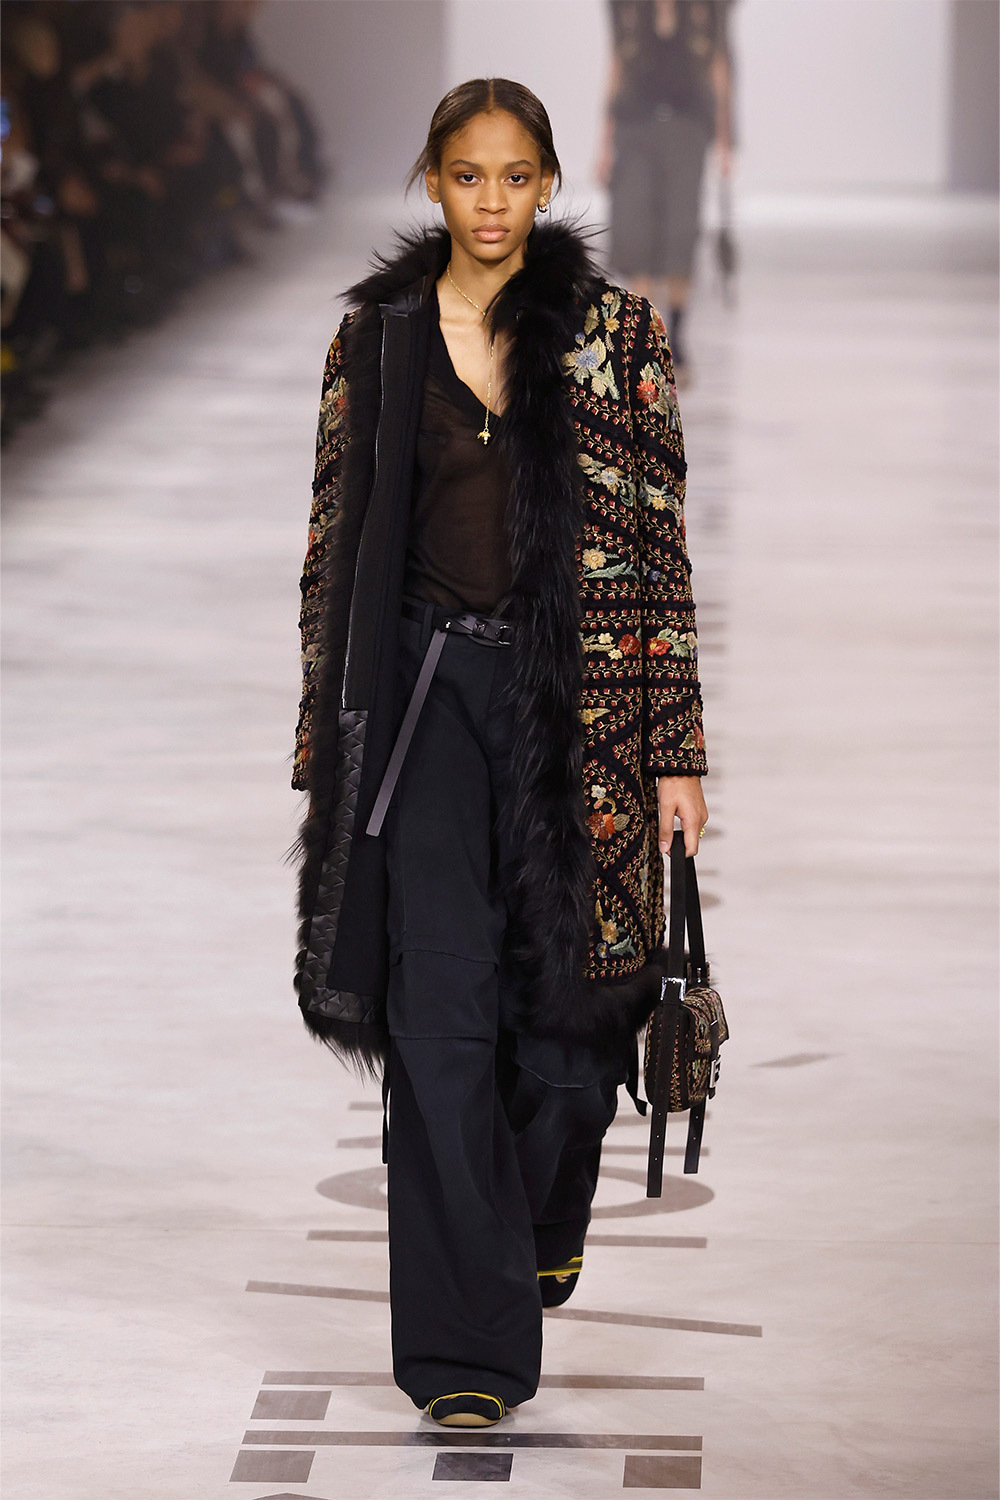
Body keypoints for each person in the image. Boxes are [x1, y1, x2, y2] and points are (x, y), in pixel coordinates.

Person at [292, 78, 709, 1429]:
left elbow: (656, 549)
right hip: (419, 700)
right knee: (440, 1015)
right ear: (432, 180)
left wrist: (674, 749)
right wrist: (322, 743)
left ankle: (537, 1225)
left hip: (573, 709)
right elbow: (333, 547)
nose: (490, 202)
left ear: (546, 184)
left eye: (515, 177)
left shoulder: (616, 336)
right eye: (467, 176)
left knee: (572, 1038)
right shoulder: (377, 340)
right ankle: (464, 1352)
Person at [597, 0, 734, 382]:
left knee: (680, 231)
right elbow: (617, 64)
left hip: (688, 126)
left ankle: (678, 338)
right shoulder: (626, 6)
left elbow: (718, 64)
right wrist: (604, 144)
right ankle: (647, 342)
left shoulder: (706, 7)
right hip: (634, 126)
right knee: (635, 231)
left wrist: (725, 138)